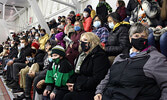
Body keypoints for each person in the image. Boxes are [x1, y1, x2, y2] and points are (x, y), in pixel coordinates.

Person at [94, 23, 167, 100]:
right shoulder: (120, 58)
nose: (139, 39)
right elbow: (107, 78)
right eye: (136, 36)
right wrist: (99, 92)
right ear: (130, 38)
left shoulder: (155, 58)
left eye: (143, 36)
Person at [63, 32, 110, 100]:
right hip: (80, 85)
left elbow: (97, 78)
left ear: (93, 42)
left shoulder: (100, 56)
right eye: (81, 41)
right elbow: (77, 73)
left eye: (85, 40)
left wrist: (77, 86)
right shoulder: (82, 55)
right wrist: (70, 83)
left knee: (68, 97)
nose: (82, 43)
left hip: (91, 89)